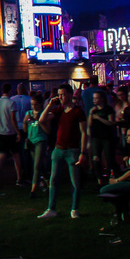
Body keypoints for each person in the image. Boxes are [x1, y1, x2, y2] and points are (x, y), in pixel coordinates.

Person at [37, 84, 87, 219]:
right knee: (53, 180)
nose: (60, 97)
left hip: (72, 150)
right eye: (59, 95)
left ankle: (74, 208)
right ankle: (51, 208)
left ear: (70, 95)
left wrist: (83, 152)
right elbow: (41, 120)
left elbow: (84, 132)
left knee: (75, 182)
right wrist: (49, 105)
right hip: (58, 149)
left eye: (63, 94)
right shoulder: (59, 109)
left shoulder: (78, 111)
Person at [0, 83, 22, 187]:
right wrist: (17, 131)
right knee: (16, 155)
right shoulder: (11, 103)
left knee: (1, 156)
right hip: (10, 132)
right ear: (10, 91)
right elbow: (13, 119)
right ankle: (19, 178)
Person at [89, 90, 117, 186]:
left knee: (109, 158)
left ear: (102, 99)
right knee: (96, 158)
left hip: (107, 137)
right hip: (96, 137)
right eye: (94, 98)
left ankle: (111, 177)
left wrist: (99, 118)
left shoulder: (108, 109)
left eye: (96, 98)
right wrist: (91, 114)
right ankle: (99, 179)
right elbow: (89, 124)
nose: (94, 100)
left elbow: (111, 122)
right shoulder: (94, 110)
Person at [24, 93, 49, 197]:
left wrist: (39, 121)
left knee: (37, 165)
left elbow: (48, 131)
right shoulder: (29, 113)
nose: (34, 107)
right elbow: (26, 130)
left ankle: (33, 190)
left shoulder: (44, 114)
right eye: (32, 104)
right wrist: (25, 121)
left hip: (40, 140)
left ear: (41, 104)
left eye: (36, 105)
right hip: (31, 140)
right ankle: (47, 179)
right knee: (37, 163)